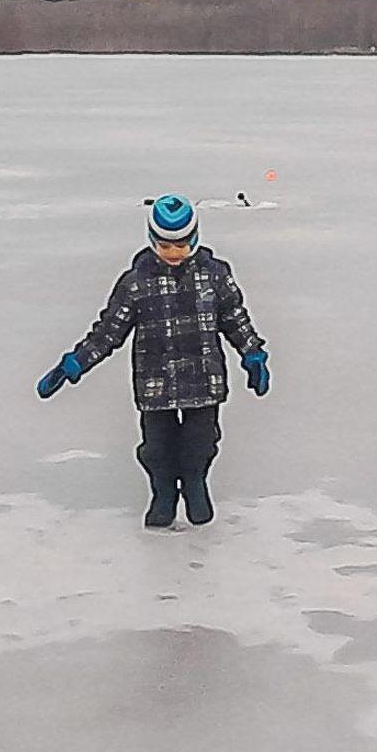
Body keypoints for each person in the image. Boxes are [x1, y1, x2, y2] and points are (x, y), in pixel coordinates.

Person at [36, 195, 270, 527]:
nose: (174, 253)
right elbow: (109, 331)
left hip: (203, 379)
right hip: (155, 382)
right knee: (156, 449)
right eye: (165, 245)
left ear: (194, 238)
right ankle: (163, 493)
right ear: (152, 240)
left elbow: (234, 317)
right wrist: (74, 363)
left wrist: (253, 354)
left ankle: (194, 482)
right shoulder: (136, 283)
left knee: (200, 443)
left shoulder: (215, 276)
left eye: (182, 245)